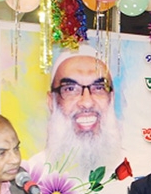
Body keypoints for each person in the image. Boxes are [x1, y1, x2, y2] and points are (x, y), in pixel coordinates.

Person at [29, 45, 122, 179]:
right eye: (71, 89)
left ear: (111, 98)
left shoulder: (129, 164)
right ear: (51, 101)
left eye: (99, 88)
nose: (87, 102)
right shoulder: (33, 174)